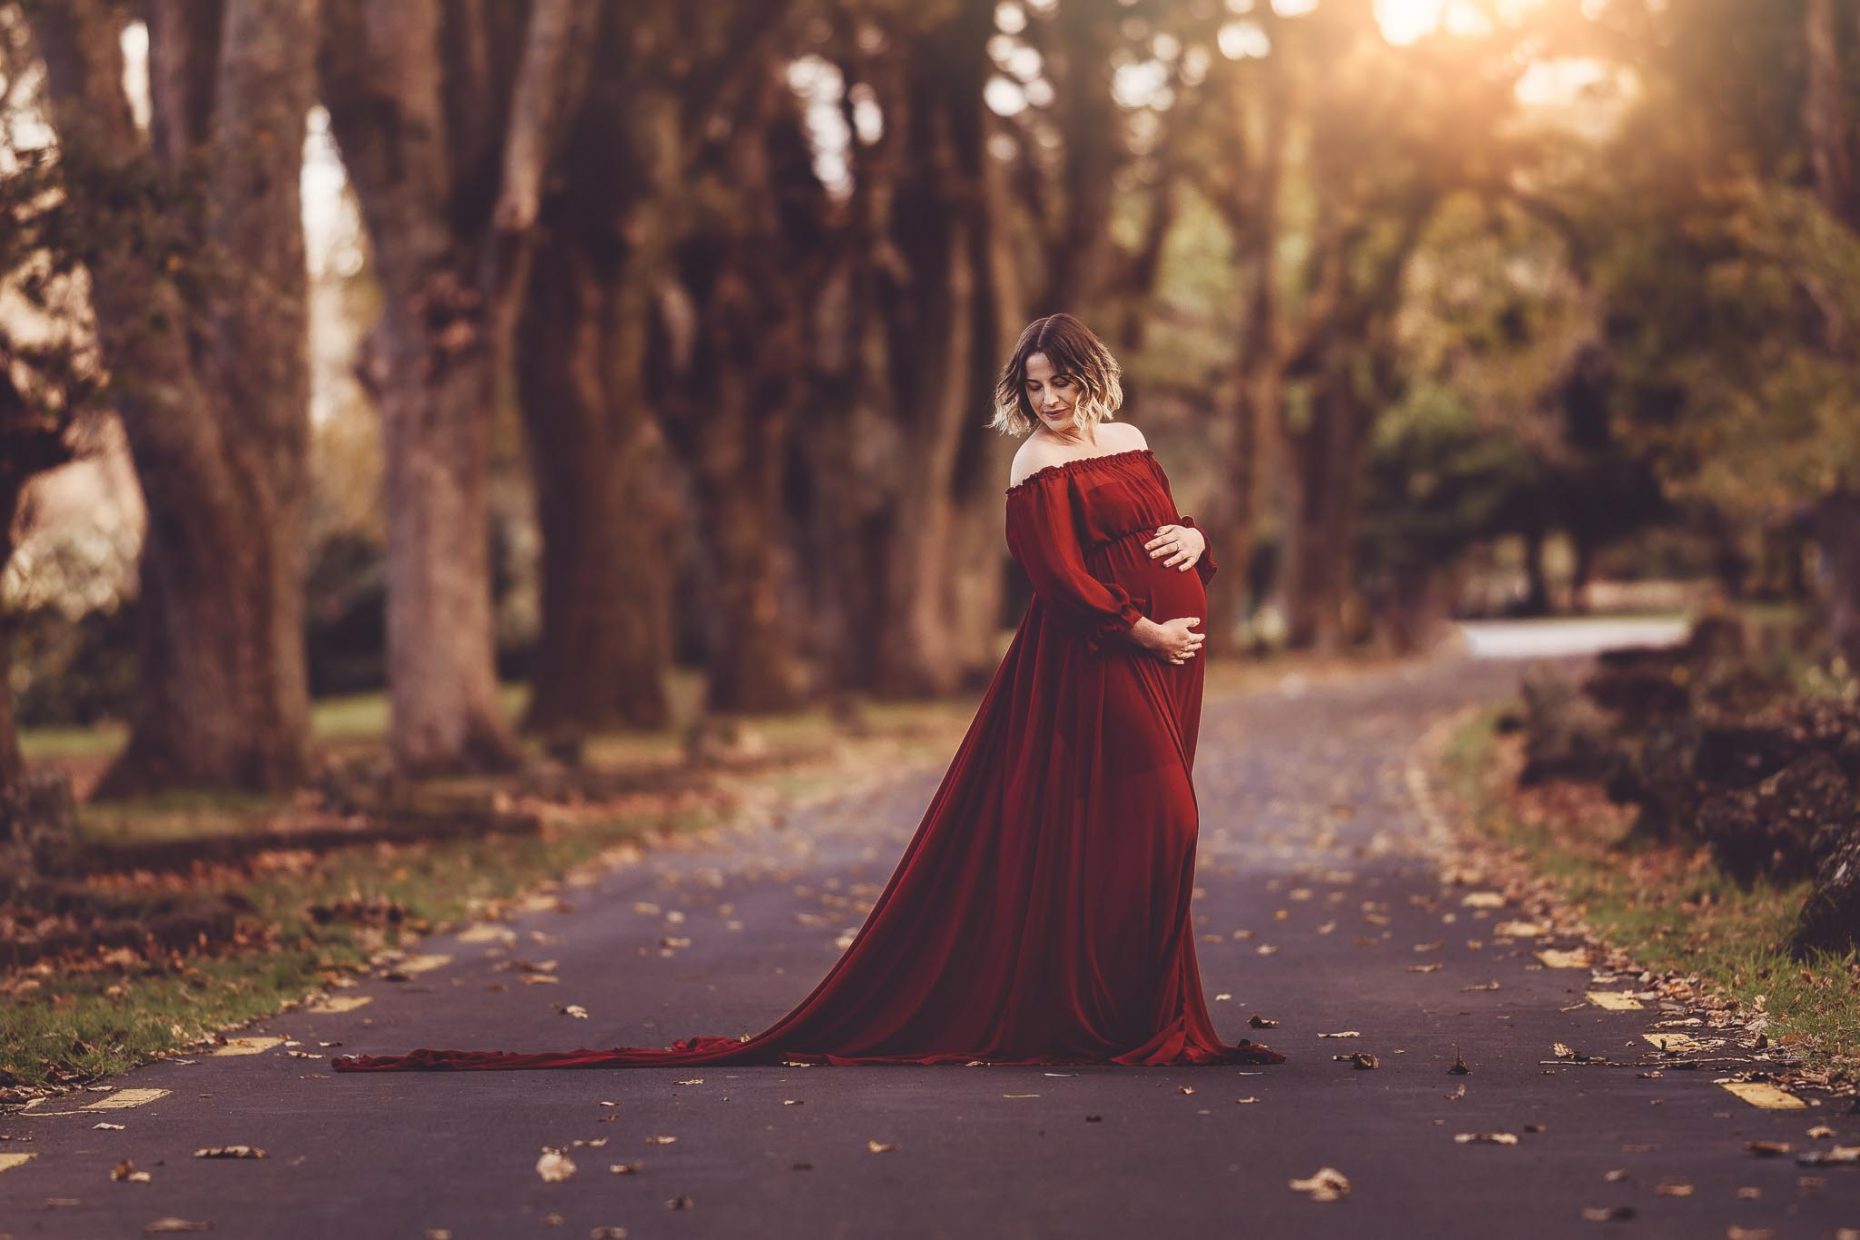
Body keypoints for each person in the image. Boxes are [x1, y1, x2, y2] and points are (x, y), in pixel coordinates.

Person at [331, 313, 1286, 1072]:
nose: (1045, 400)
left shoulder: (1128, 436)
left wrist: (1199, 543)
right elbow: (1056, 579)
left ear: (1090, 374)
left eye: (1058, 381)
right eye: (1031, 386)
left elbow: (1170, 521)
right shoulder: (1033, 465)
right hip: (1099, 656)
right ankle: (1103, 1015)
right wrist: (1140, 627)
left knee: (1140, 827)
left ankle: (1135, 1015)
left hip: (1171, 655)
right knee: (1164, 820)